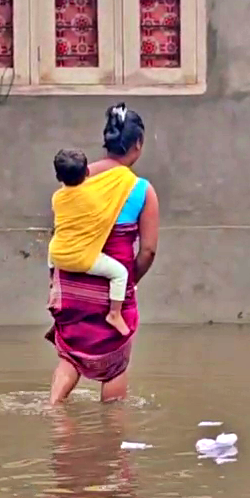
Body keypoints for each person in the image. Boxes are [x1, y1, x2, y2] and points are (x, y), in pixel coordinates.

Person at [46, 103, 160, 404]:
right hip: (110, 287)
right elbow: (148, 250)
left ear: (106, 141)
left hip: (70, 282)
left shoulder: (78, 177)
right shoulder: (140, 189)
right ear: (138, 143)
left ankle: (54, 411)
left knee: (70, 354)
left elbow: (64, 225)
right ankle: (111, 439)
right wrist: (128, 285)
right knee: (114, 364)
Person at [48, 148, 133, 337]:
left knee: (57, 239)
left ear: (57, 177)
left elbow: (72, 195)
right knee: (120, 274)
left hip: (57, 256)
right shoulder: (95, 198)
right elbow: (110, 201)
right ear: (87, 172)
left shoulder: (57, 198)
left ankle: (53, 285)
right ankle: (114, 314)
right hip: (81, 259)